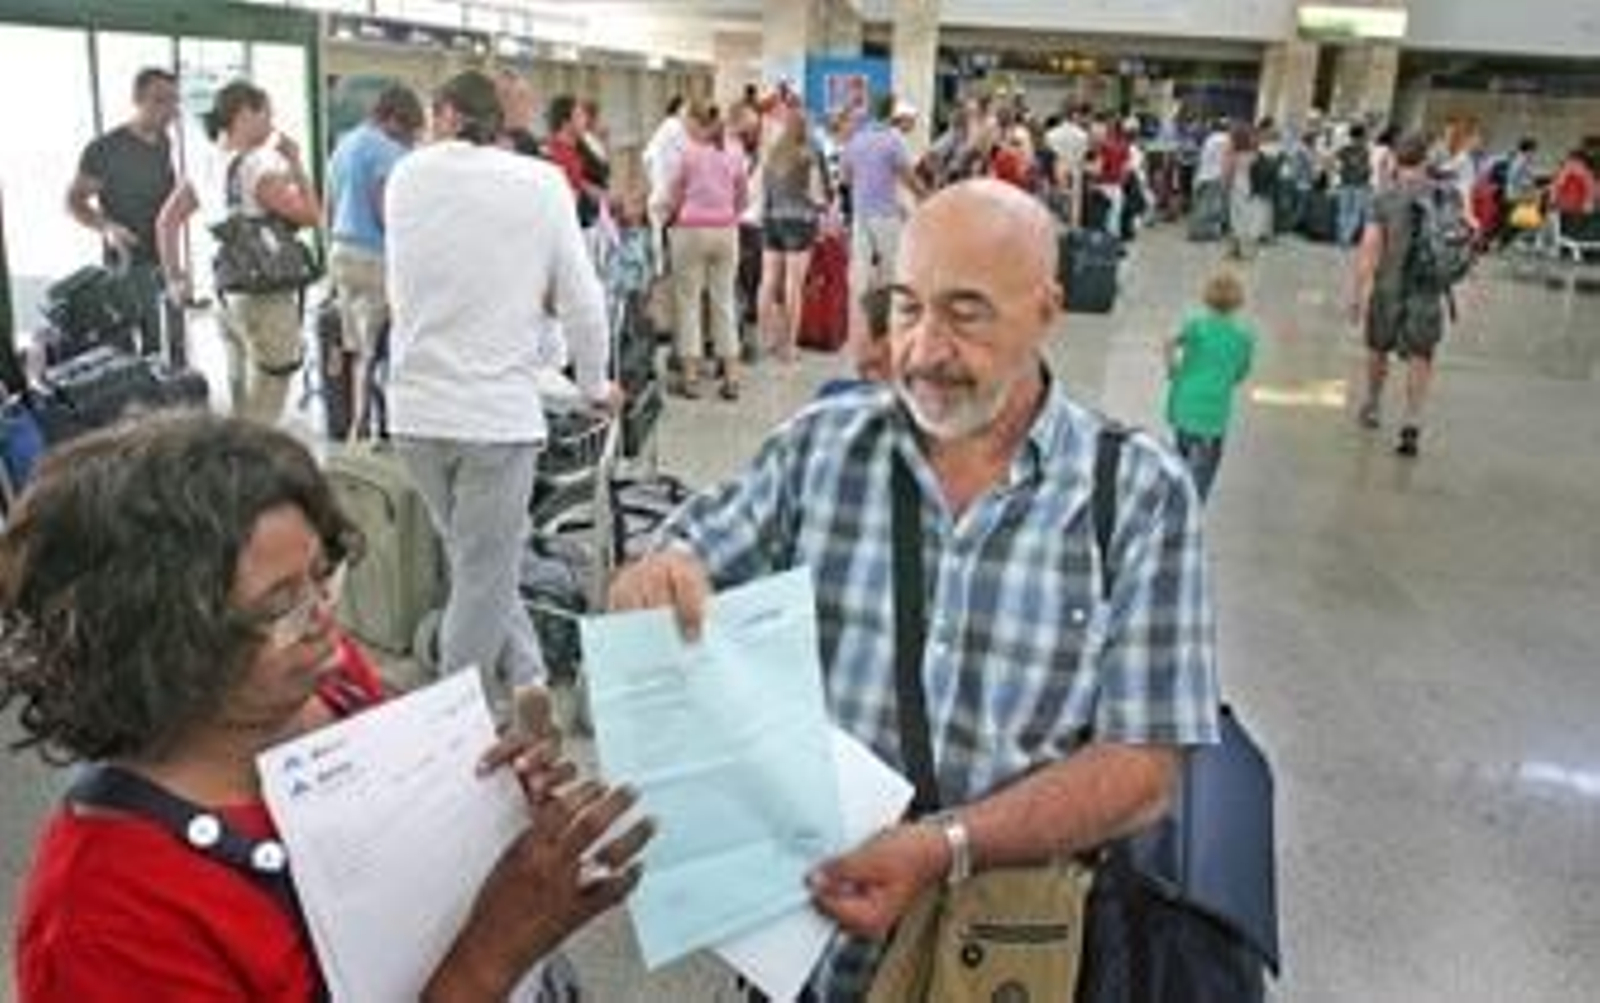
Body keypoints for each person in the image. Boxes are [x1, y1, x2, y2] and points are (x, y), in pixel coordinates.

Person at [610, 179, 1218, 998]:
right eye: (905, 307)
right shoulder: (821, 448)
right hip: (806, 947)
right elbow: (681, 556)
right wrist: (658, 574)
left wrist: (945, 846)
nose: (924, 350)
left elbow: (1143, 765)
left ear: (1047, 311)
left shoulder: (1137, 494)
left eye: (966, 313)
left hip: (1002, 952)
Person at [1, 414, 652, 1000]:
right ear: (159, 641)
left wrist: (489, 811)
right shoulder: (102, 917)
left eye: (322, 575)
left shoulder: (319, 687)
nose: (323, 619)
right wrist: (491, 954)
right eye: (279, 603)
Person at [386, 71, 615, 705]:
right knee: (483, 572)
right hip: (495, 419)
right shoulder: (540, 184)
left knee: (476, 563)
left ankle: (530, 675)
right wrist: (594, 384)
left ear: (447, 115)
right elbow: (584, 303)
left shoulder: (408, 176)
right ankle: (453, 729)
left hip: (413, 413)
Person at [157, 80, 321, 425]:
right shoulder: (255, 167)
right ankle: (253, 466)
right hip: (265, 295)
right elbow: (312, 215)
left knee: (240, 391)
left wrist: (175, 276)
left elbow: (167, 221)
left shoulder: (205, 162)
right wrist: (297, 163)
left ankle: (235, 462)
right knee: (269, 391)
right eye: (267, 114)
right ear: (245, 113)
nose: (272, 123)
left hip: (226, 293)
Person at [325, 83, 424, 441]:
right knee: (380, 348)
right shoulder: (387, 150)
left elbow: (331, 204)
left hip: (341, 252)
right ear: (395, 119)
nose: (412, 140)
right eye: (411, 130)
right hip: (375, 257)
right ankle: (370, 425)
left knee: (355, 347)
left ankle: (356, 422)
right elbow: (386, 211)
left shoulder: (344, 143)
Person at [67, 67, 182, 360]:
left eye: (173, 101)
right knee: (132, 350)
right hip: (128, 260)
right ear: (137, 99)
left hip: (164, 258)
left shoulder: (164, 143)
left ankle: (171, 398)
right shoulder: (105, 149)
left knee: (170, 343)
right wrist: (107, 228)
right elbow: (73, 201)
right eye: (160, 100)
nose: (170, 109)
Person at [1354, 135, 1449, 458]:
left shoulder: (1384, 198)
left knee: (1378, 348)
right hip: (1427, 289)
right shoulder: (1441, 196)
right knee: (1421, 356)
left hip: (1388, 287)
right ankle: (1412, 421)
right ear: (1424, 160)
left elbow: (1370, 249)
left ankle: (1374, 404)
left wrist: (1359, 292)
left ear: (1396, 160)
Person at [665, 100, 749, 401]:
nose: (685, 127)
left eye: (688, 122)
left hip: (691, 231)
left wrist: (669, 219)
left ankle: (690, 378)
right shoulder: (736, 152)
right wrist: (729, 215)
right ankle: (732, 378)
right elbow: (743, 196)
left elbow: (675, 197)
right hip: (727, 231)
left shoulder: (688, 154)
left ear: (699, 125)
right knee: (724, 302)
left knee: (688, 303)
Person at [1165, 271, 1256, 501]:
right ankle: (1194, 509)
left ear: (1207, 297)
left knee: (1180, 459)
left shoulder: (1195, 327)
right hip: (1213, 417)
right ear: (1238, 302)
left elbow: (1169, 342)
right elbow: (1240, 374)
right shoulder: (1243, 338)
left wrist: (1172, 368)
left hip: (1184, 406)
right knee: (1204, 472)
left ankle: (1175, 501)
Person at [839, 93, 927, 325]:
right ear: (892, 113)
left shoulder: (857, 138)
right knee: (891, 266)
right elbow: (908, 176)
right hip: (885, 213)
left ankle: (857, 318)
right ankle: (887, 319)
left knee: (861, 267)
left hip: (861, 212)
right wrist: (926, 196)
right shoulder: (893, 139)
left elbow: (845, 177)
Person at [759, 106, 829, 363]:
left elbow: (765, 192)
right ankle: (788, 348)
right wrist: (823, 209)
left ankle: (764, 340)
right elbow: (822, 192)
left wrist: (767, 214)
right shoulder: (811, 151)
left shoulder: (774, 151)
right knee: (793, 286)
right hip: (800, 222)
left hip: (772, 219)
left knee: (767, 282)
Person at [1334, 122, 1374, 247]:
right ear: (1362, 136)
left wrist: (1340, 171)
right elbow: (1367, 169)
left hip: (1345, 182)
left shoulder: (1345, 149)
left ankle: (1341, 236)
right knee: (1354, 212)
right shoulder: (1365, 151)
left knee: (1343, 210)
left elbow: (1333, 161)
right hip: (1359, 185)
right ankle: (1345, 238)